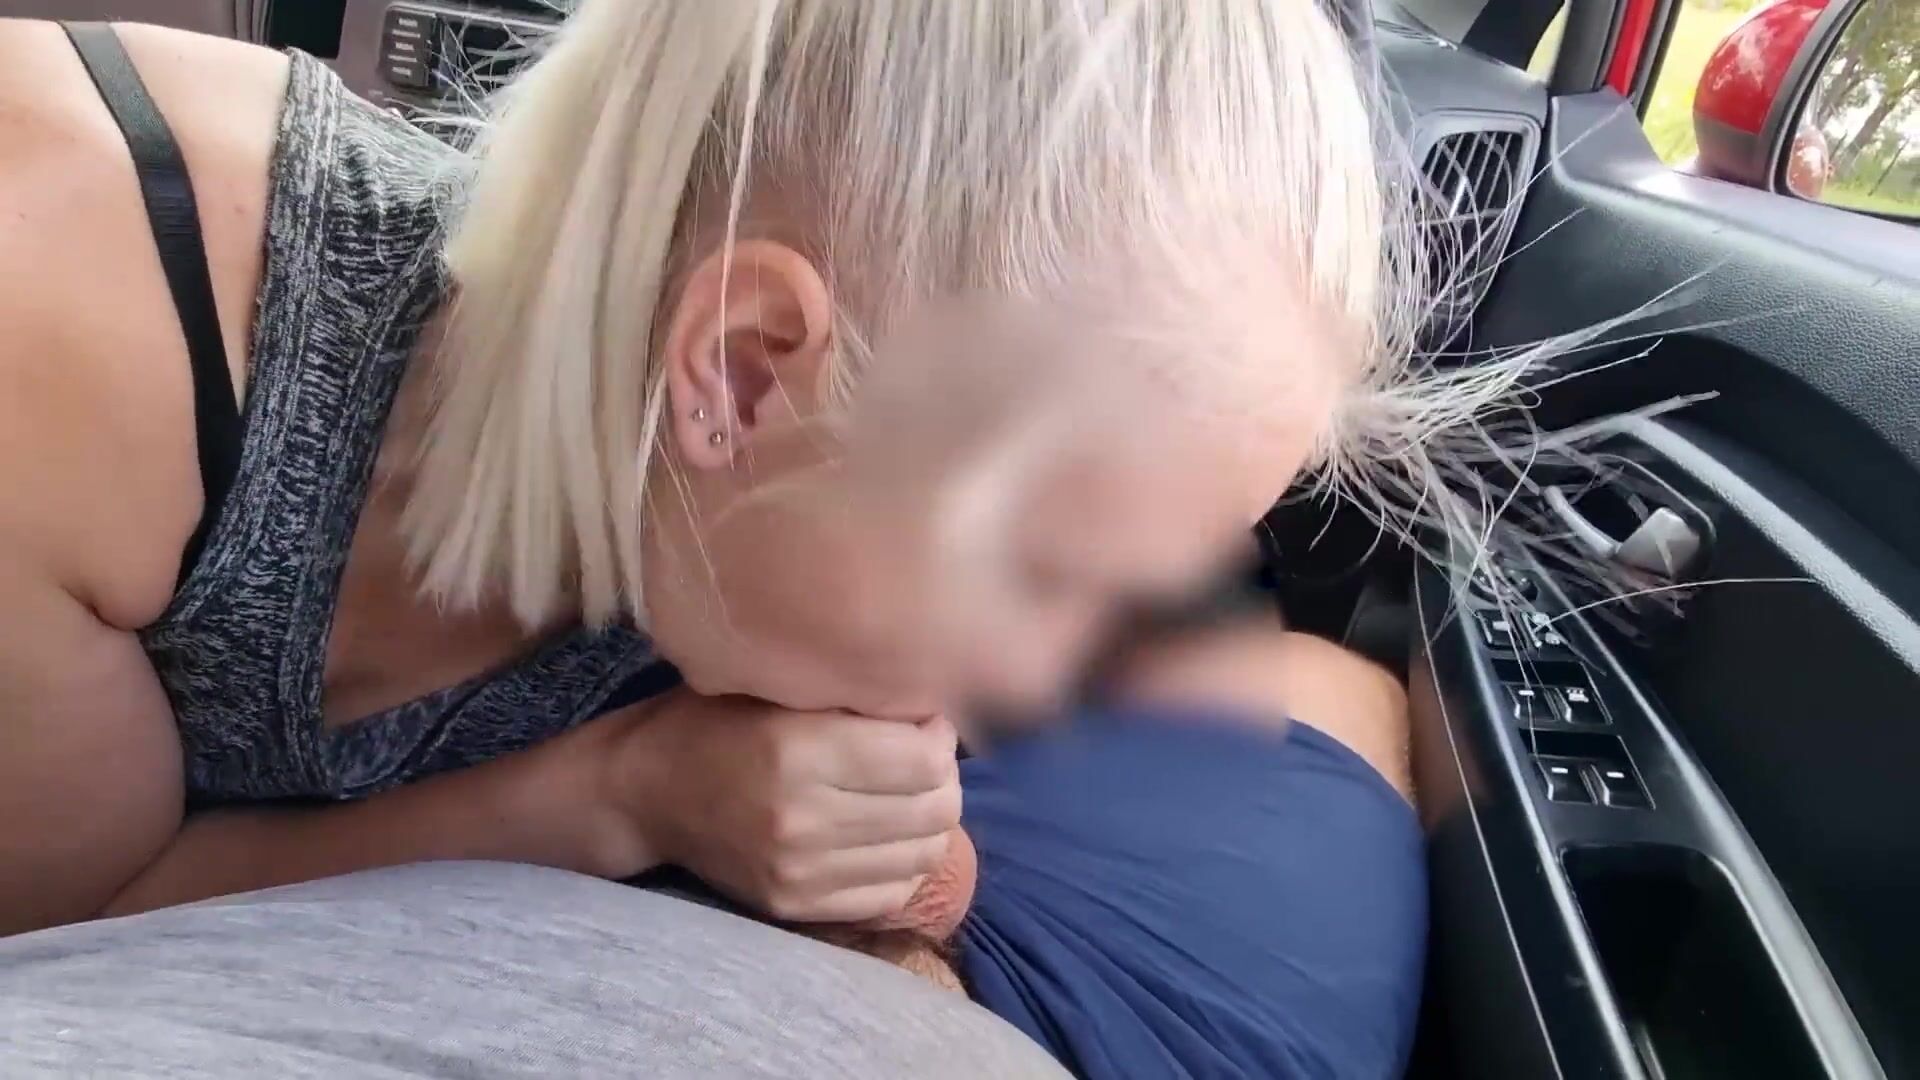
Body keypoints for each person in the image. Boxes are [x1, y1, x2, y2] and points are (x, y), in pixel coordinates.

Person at [0, 4, 1445, 1075]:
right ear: (742, 373)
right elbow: (69, 935)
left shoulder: (733, 536)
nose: (1059, 688)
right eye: (1053, 579)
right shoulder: (69, 349)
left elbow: (920, 880)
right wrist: (625, 794)